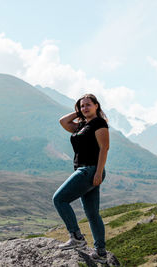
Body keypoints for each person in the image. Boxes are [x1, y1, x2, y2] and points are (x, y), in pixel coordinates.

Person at [52, 93, 110, 262]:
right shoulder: (82, 125)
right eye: (82, 105)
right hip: (85, 170)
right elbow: (63, 122)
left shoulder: (99, 123)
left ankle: (76, 236)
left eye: (88, 105)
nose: (85, 108)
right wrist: (79, 113)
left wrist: (98, 172)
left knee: (59, 199)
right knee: (92, 213)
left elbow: (104, 148)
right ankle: (100, 252)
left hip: (90, 170)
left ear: (96, 106)